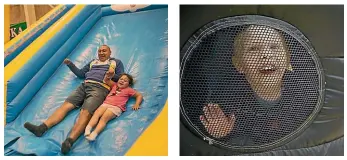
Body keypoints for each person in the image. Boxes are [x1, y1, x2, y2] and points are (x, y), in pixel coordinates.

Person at [200, 25, 297, 144]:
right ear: (239, 65)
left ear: (287, 58)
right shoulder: (228, 100)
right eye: (254, 49)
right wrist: (221, 133)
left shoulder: (301, 92)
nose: (266, 54)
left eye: (274, 47)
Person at [23, 45, 124, 154]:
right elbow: (81, 74)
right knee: (66, 106)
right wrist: (70, 64)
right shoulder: (93, 62)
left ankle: (69, 141)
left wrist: (112, 75)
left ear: (110, 52)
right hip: (84, 86)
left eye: (104, 51)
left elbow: (122, 78)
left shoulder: (115, 62)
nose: (101, 53)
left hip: (100, 88)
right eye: (99, 51)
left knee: (85, 112)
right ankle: (41, 128)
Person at [84, 72, 143, 141]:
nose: (122, 81)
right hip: (106, 104)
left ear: (129, 84)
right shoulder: (114, 85)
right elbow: (106, 80)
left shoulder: (129, 90)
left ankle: (94, 134)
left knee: (104, 118)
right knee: (97, 113)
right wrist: (108, 76)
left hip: (116, 107)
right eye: (121, 79)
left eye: (125, 81)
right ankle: (88, 129)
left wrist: (137, 104)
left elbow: (139, 95)